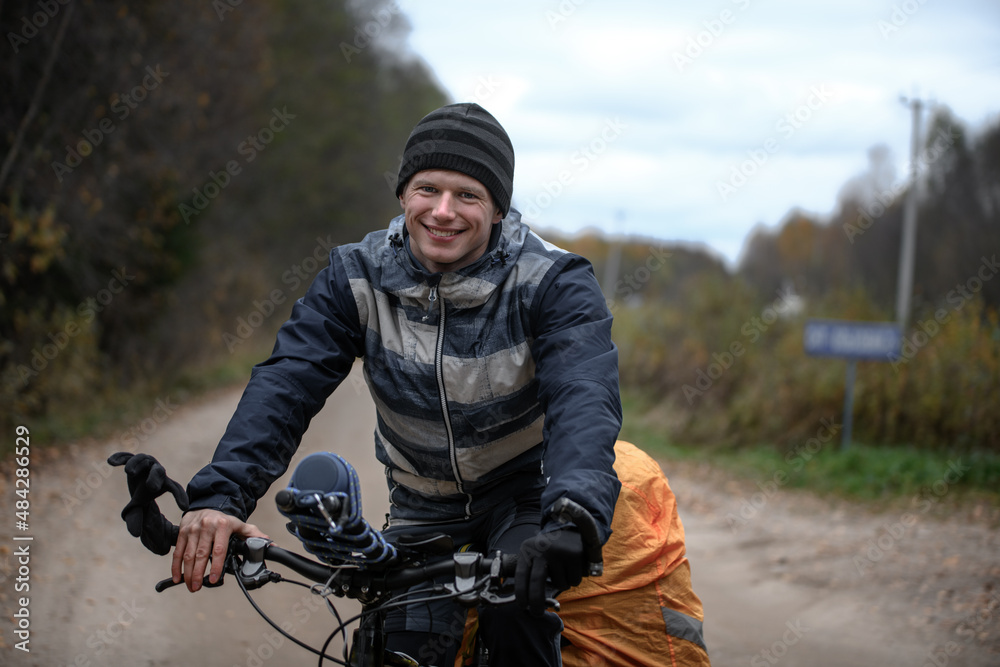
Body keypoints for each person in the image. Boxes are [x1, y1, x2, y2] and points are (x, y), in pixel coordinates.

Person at [171, 102, 623, 666]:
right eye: (427, 189)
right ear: (402, 194)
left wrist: (572, 518)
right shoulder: (352, 275)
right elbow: (288, 381)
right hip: (422, 504)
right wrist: (218, 496)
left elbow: (585, 394)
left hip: (524, 493)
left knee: (514, 613)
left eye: (468, 196)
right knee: (396, 648)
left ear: (499, 210)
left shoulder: (554, 281)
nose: (442, 212)